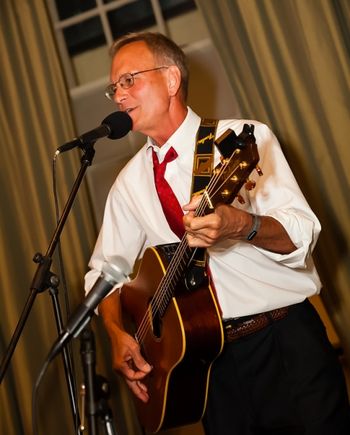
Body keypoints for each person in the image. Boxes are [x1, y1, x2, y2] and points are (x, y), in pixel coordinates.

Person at [84, 31, 350, 435]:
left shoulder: (245, 139)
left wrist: (243, 225)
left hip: (283, 343)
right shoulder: (129, 183)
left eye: (129, 80)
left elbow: (302, 234)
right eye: (114, 87)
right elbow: (104, 275)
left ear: (171, 79)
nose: (119, 96)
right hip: (207, 366)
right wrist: (117, 333)